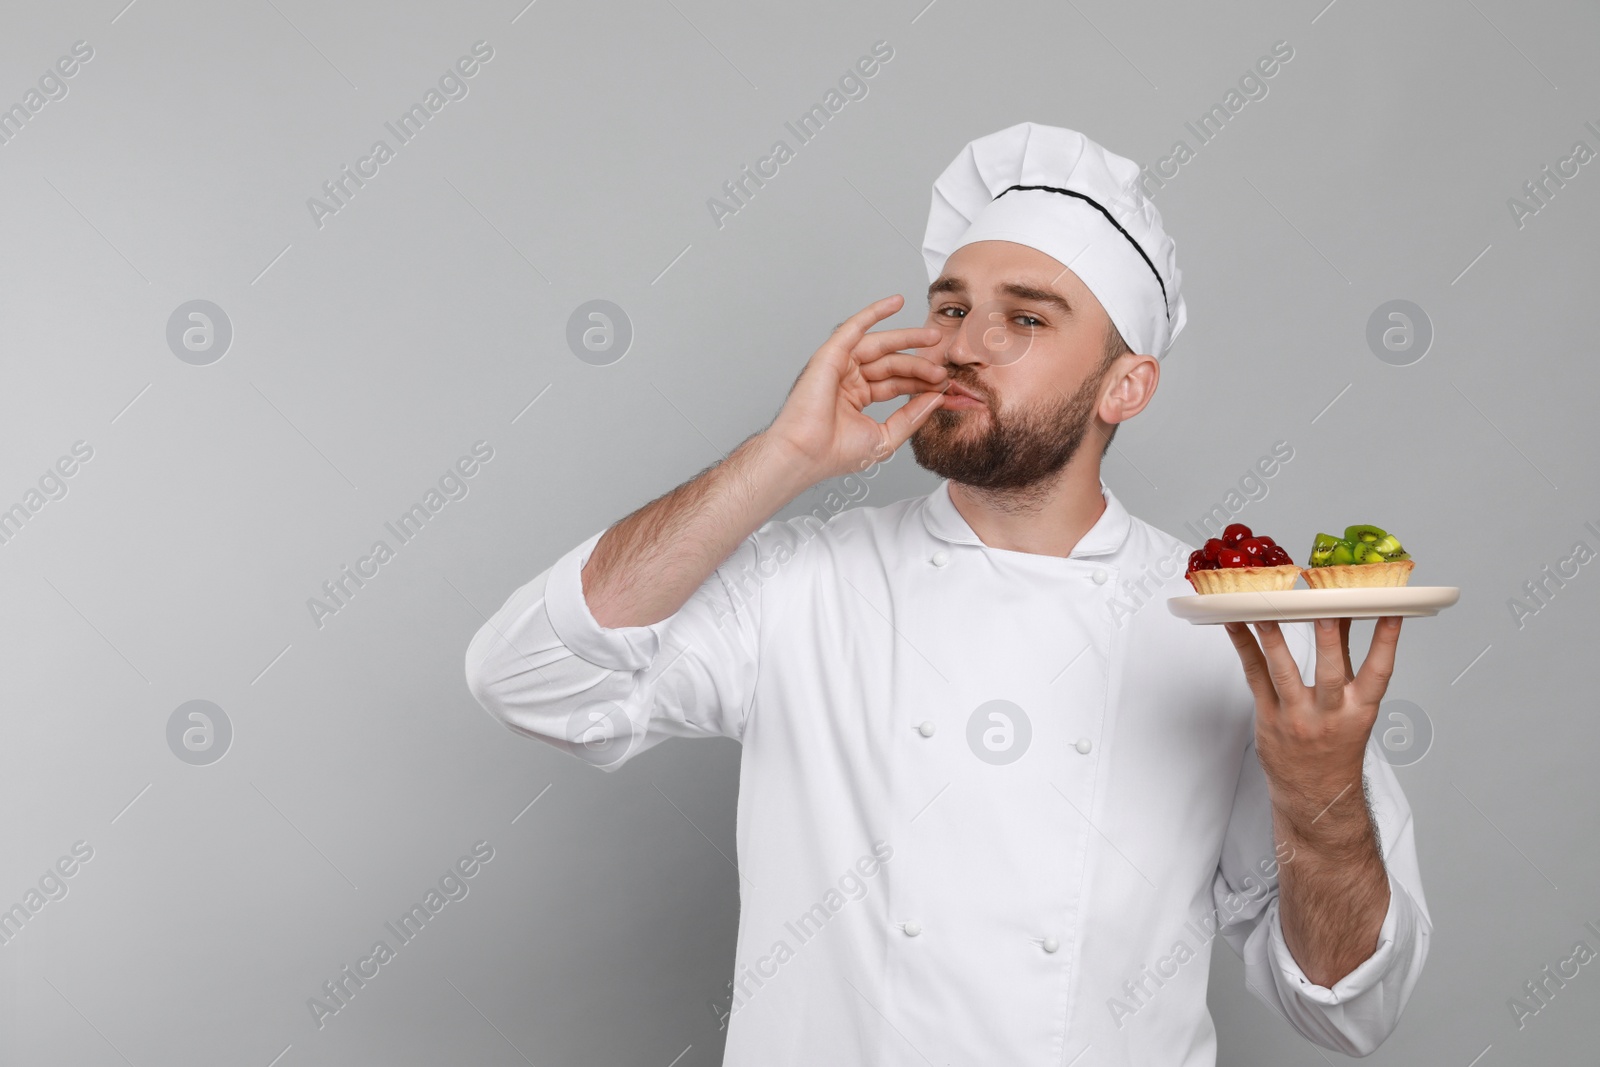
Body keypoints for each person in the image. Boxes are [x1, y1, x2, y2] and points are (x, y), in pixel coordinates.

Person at [463, 121, 1430, 1065]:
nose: (965, 344)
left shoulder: (1238, 628)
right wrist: (779, 458)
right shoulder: (805, 582)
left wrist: (1320, 796)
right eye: (953, 307)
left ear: (1126, 387)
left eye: (1027, 317)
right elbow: (530, 679)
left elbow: (1347, 1008)